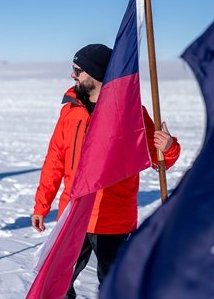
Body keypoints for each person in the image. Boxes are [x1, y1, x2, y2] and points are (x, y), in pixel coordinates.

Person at [31, 44, 181, 298]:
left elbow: (159, 160)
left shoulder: (130, 112)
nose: (72, 75)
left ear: (96, 73)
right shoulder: (70, 111)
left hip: (112, 218)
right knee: (58, 281)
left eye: (77, 70)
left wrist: (168, 147)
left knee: (113, 285)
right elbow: (55, 160)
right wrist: (41, 205)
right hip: (74, 212)